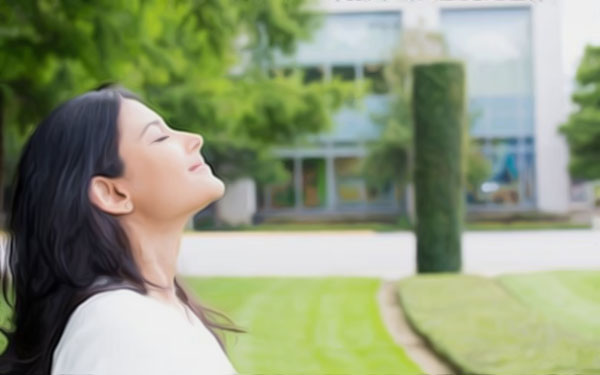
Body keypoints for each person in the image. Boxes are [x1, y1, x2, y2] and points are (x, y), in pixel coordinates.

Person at [0, 85, 244, 375]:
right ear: (113, 194)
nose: (195, 139)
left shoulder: (158, 310)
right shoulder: (116, 325)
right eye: (160, 137)